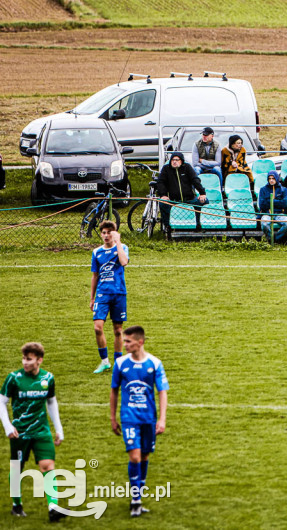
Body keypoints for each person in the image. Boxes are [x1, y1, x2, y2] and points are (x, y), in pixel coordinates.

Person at [110, 326, 168, 518]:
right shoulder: (120, 364)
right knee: (134, 456)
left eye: (128, 341)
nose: (124, 344)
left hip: (148, 418)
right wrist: (113, 417)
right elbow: (114, 390)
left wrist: (161, 419)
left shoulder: (155, 363)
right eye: (124, 341)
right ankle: (135, 500)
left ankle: (138, 496)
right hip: (129, 418)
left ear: (140, 342)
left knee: (144, 457)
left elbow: (162, 392)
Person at [2, 342, 64, 522]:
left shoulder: (48, 378)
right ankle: (16, 505)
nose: (25, 362)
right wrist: (7, 426)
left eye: (29, 359)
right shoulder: (14, 378)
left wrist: (58, 429)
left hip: (41, 432)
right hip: (19, 433)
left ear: (39, 360)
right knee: (16, 469)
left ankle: (53, 508)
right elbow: (1, 402)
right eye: (23, 358)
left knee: (47, 466)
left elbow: (51, 402)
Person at [90, 221, 129, 374]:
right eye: (104, 233)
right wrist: (92, 298)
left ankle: (118, 363)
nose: (106, 236)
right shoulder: (96, 252)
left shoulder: (122, 247)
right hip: (102, 294)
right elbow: (95, 276)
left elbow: (124, 262)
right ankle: (105, 361)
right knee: (97, 327)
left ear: (114, 233)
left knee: (118, 330)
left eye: (109, 233)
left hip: (119, 293)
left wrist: (118, 242)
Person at [155, 151, 208, 230]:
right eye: (173, 160)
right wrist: (163, 195)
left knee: (204, 201)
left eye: (177, 160)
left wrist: (202, 193)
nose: (174, 162)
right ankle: (168, 226)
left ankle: (198, 224)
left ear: (181, 161)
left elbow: (195, 180)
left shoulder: (187, 167)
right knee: (163, 204)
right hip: (173, 200)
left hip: (190, 199)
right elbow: (160, 182)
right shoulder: (166, 169)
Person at [257, 171, 287, 243]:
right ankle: (270, 238)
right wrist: (277, 201)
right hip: (267, 213)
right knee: (264, 224)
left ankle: (275, 239)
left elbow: (284, 203)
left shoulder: (284, 190)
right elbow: (262, 204)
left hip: (279, 213)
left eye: (273, 178)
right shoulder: (263, 189)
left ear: (277, 179)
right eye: (269, 178)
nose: (271, 180)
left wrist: (269, 201)